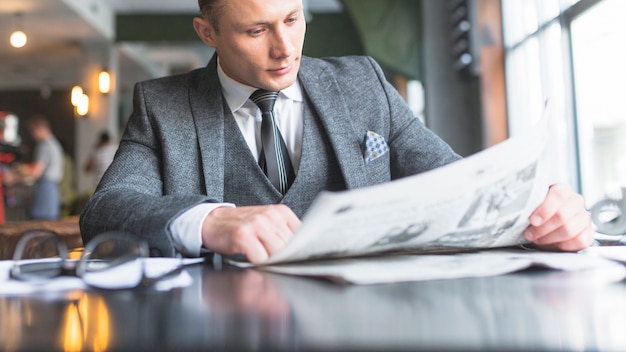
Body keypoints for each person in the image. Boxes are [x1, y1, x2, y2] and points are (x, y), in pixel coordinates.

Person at [80, 0, 594, 263]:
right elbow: (106, 208)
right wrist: (211, 221)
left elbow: (459, 184)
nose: (285, 48)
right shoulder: (162, 105)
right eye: (256, 31)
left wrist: (539, 210)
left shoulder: (365, 83)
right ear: (207, 32)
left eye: (292, 18)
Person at [23, 115, 63, 220]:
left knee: (39, 226)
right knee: (49, 227)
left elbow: (36, 172)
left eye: (33, 132)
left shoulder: (44, 145)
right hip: (53, 189)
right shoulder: (55, 143)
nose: (33, 136)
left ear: (39, 129)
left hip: (45, 188)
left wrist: (15, 177)